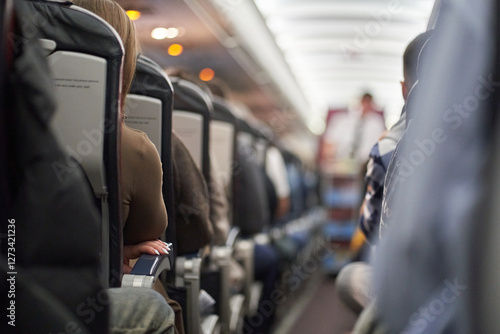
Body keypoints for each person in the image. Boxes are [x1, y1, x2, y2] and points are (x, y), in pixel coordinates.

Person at [71, 0, 176, 332]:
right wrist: (113, 249)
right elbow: (154, 231)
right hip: (71, 305)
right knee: (154, 305)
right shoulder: (131, 147)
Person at [335, 30, 434, 317]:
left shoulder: (388, 144)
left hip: (416, 285)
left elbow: (373, 230)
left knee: (351, 277)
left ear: (405, 89)